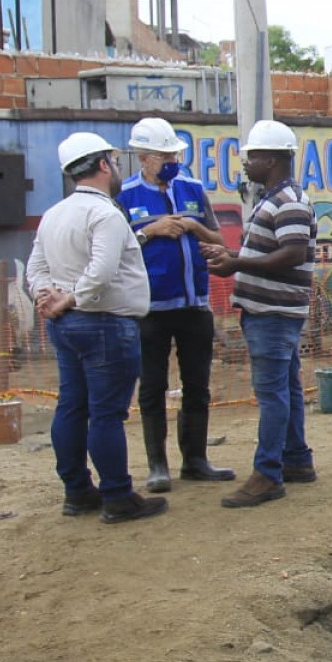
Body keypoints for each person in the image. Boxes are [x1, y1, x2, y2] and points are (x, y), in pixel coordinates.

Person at [26, 132, 166, 523]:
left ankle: (77, 492)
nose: (117, 168)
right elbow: (102, 272)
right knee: (106, 414)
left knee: (72, 406)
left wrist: (47, 296)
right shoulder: (106, 214)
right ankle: (118, 496)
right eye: (114, 162)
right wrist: (70, 298)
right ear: (103, 164)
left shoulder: (54, 214)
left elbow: (36, 268)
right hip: (105, 323)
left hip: (67, 325)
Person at [117, 116, 233, 492]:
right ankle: (157, 466)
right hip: (150, 309)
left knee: (197, 385)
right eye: (163, 156)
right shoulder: (126, 195)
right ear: (143, 158)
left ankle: (195, 461)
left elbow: (218, 238)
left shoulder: (193, 188)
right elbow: (116, 248)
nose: (171, 161)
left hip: (194, 305)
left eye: (174, 155)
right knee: (152, 387)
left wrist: (194, 227)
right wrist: (149, 231)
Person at [206, 121, 314, 509]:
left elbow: (292, 253)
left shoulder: (289, 201)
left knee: (272, 394)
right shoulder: (275, 199)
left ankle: (268, 473)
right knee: (286, 389)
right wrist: (233, 257)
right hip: (271, 310)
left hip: (274, 312)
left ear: (270, 160)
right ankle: (296, 459)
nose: (246, 163)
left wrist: (236, 264)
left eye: (251, 157)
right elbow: (272, 251)